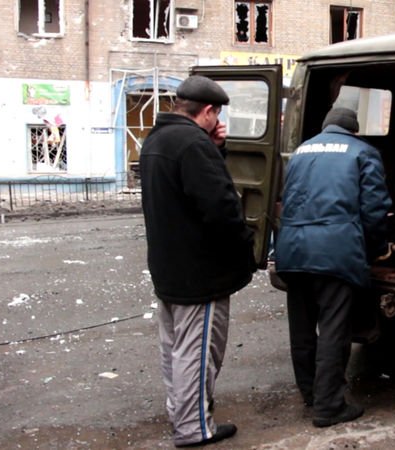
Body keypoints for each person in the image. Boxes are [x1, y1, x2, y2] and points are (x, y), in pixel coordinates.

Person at [140, 75, 256, 447]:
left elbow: (185, 191)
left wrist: (214, 148)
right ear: (208, 111)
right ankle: (193, 428)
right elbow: (219, 206)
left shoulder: (157, 139)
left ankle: (182, 414)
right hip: (200, 271)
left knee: (176, 348)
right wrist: (246, 248)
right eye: (216, 114)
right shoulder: (192, 144)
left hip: (169, 266)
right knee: (198, 351)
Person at [275, 107, 391, 428]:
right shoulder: (363, 152)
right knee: (333, 329)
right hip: (335, 252)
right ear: (353, 131)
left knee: (301, 327)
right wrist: (374, 250)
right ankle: (329, 406)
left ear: (325, 127)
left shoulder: (300, 151)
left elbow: (285, 198)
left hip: (292, 250)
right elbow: (374, 209)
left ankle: (311, 393)